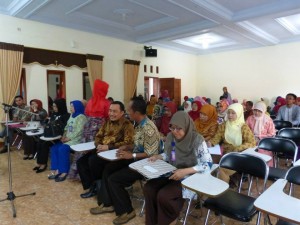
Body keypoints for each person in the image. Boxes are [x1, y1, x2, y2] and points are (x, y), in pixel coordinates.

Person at [89, 97, 160, 225]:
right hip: (135, 158)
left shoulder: (149, 128)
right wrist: (127, 147)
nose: (126, 113)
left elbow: (151, 154)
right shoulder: (139, 124)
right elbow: (138, 144)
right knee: (108, 168)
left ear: (136, 113)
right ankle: (107, 203)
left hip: (146, 163)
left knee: (115, 179)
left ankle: (127, 211)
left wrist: (131, 155)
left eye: (128, 110)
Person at [143, 111, 212, 225]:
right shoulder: (172, 138)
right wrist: (159, 156)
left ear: (186, 126)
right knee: (149, 188)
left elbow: (207, 164)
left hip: (190, 175)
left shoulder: (197, 140)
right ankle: (152, 221)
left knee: (164, 195)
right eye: (172, 128)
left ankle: (169, 219)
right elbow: (172, 155)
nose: (175, 132)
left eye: (178, 128)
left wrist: (185, 171)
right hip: (173, 171)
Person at [77, 101, 134, 198]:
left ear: (122, 112)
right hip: (102, 150)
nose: (111, 114)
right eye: (110, 111)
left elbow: (128, 143)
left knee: (93, 161)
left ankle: (99, 187)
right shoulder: (107, 122)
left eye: (115, 111)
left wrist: (109, 147)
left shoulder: (127, 125)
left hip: (115, 153)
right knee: (81, 162)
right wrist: (98, 144)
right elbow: (98, 135)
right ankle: (93, 186)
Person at [68, 79, 110, 180]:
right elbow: (107, 117)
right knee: (95, 152)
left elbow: (86, 114)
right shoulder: (106, 102)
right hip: (100, 129)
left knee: (83, 150)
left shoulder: (90, 101)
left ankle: (78, 174)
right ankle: (94, 175)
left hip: (87, 128)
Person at [207, 103, 256, 183]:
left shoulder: (243, 127)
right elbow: (218, 136)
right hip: (225, 152)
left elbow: (252, 142)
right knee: (209, 163)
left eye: (233, 113)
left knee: (222, 170)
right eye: (228, 112)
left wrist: (237, 148)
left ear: (239, 114)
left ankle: (220, 190)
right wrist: (211, 142)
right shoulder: (224, 125)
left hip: (238, 154)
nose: (230, 115)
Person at [48, 100, 87, 182]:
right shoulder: (72, 115)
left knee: (62, 149)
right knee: (54, 147)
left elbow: (79, 130)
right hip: (67, 139)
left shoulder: (82, 117)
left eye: (72, 106)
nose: (71, 108)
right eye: (70, 106)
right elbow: (66, 127)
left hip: (76, 140)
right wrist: (64, 136)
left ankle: (64, 171)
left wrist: (69, 138)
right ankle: (55, 168)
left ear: (77, 107)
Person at [33, 98, 70, 173]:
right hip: (52, 134)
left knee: (44, 144)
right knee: (40, 142)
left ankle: (43, 164)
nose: (54, 108)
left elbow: (64, 128)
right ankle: (39, 162)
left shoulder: (66, 115)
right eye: (53, 106)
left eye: (55, 106)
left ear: (60, 106)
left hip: (59, 136)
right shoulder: (54, 114)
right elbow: (49, 124)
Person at [246, 101, 276, 166]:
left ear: (263, 111)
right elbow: (246, 131)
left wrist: (259, 136)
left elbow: (272, 134)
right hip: (251, 141)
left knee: (263, 156)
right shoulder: (250, 118)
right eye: (255, 110)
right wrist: (251, 137)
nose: (256, 113)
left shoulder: (268, 120)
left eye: (259, 111)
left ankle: (263, 169)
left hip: (264, 143)